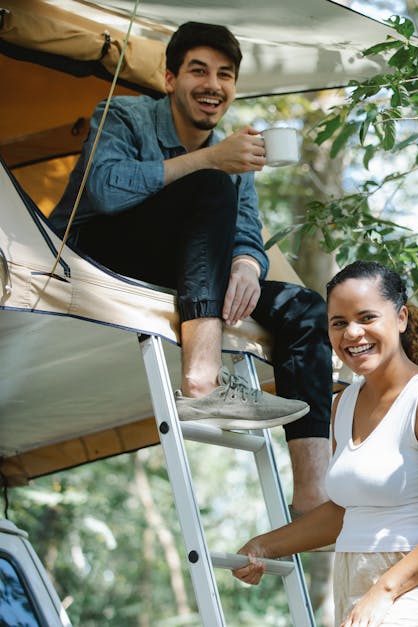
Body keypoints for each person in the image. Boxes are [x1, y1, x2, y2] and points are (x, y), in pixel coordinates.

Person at [47, 22, 333, 513]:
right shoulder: (123, 113)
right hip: (96, 253)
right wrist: (209, 160)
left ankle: (314, 497)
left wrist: (244, 264)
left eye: (225, 75)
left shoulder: (231, 150)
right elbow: (104, 188)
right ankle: (202, 381)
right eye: (198, 71)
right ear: (170, 80)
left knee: (306, 308)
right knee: (212, 181)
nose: (212, 85)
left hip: (187, 268)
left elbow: (245, 230)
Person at [233, 260, 418, 627]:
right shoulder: (344, 404)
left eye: (367, 317)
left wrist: (384, 591)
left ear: (400, 318)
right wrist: (264, 545)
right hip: (353, 578)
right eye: (339, 323)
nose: (352, 333)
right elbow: (343, 512)